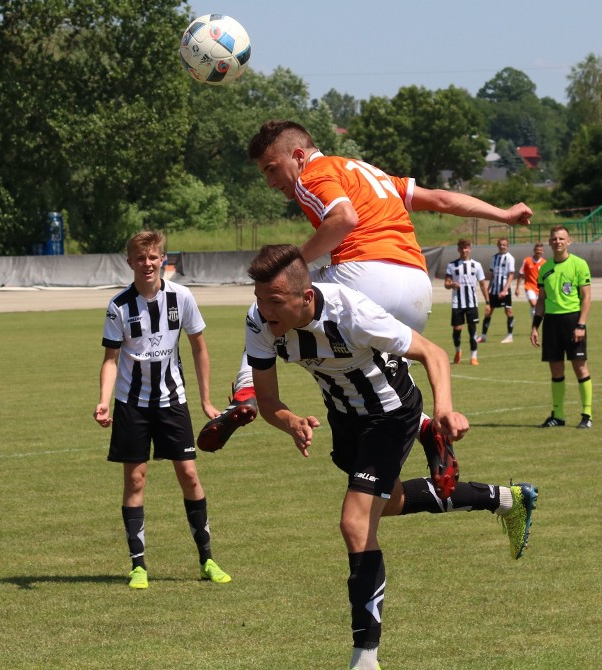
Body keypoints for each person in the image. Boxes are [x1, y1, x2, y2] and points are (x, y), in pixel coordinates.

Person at [244, 244, 537, 670]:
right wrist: (289, 420)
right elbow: (268, 401)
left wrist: (443, 410)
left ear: (305, 297)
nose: (264, 311)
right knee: (389, 503)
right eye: (259, 300)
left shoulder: (353, 313)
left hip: (390, 412)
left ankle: (365, 658)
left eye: (274, 302)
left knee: (355, 522)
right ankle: (505, 498)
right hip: (344, 419)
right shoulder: (261, 323)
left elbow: (433, 353)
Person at [197, 119, 532, 452]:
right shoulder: (369, 172)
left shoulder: (313, 174)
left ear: (298, 155)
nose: (271, 182)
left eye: (272, 169)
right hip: (417, 286)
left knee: (267, 305)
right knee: (366, 377)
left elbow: (344, 218)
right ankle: (428, 429)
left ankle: (244, 392)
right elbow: (440, 199)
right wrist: (503, 214)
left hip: (365, 275)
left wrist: (291, 265)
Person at [93, 230, 231, 589]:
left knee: (189, 475)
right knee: (135, 479)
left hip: (173, 401)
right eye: (141, 258)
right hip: (131, 404)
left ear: (162, 259)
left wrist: (205, 399)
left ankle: (207, 560)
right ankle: (138, 565)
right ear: (130, 263)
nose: (148, 263)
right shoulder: (119, 306)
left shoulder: (182, 297)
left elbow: (199, 348)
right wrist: (103, 401)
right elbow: (110, 360)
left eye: (154, 257)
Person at [530, 225, 593, 429]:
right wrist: (534, 327)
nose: (557, 242)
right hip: (552, 323)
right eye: (554, 239)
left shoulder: (579, 264)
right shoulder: (545, 269)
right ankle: (558, 415)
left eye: (561, 239)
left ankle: (587, 414)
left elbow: (586, 297)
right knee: (556, 369)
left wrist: (581, 324)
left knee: (579, 366)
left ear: (568, 241)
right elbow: (541, 300)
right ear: (550, 242)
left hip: (573, 320)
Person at [444, 238, 489, 365]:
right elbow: (446, 284)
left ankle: (474, 356)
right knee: (457, 329)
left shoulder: (477, 265)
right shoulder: (452, 265)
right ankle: (458, 351)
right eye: (462, 248)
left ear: (470, 249)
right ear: (458, 249)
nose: (464, 250)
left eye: (466, 248)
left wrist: (488, 302)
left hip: (471, 303)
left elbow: (482, 284)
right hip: (457, 302)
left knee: (472, 329)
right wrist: (451, 284)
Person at [477, 238, 516, 344]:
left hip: (504, 291)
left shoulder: (510, 258)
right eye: (500, 244)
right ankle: (483, 336)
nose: (502, 246)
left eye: (504, 245)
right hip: (494, 290)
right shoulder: (494, 258)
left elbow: (511, 275)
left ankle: (509, 336)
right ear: (497, 245)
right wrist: (488, 288)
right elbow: (492, 274)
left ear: (507, 246)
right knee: (488, 312)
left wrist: (505, 289)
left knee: (508, 311)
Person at [515, 243, 546, 319]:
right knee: (533, 303)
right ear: (534, 250)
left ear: (543, 252)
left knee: (540, 306)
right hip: (529, 286)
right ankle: (534, 323)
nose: (539, 251)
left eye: (540, 250)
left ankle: (537, 321)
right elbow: (521, 274)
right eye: (537, 250)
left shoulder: (544, 263)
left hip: (540, 288)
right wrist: (517, 288)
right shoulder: (527, 261)